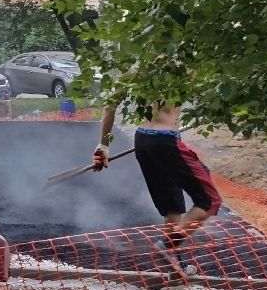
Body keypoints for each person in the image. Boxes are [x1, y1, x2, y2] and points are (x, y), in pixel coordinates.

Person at [92, 99, 220, 254]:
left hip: (142, 139)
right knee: (209, 200)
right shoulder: (180, 80)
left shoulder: (135, 80)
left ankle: (170, 255)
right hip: (165, 141)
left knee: (172, 205)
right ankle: (167, 246)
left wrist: (103, 146)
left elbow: (110, 106)